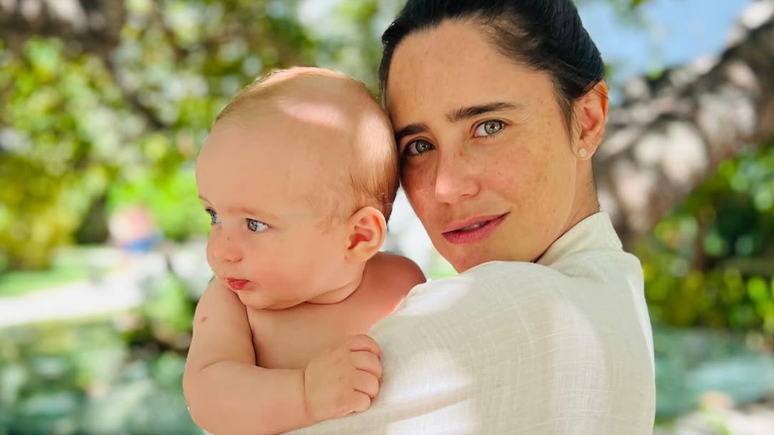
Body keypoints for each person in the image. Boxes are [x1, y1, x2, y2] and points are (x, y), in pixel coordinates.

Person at [288, 0, 656, 434]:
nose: (446, 187)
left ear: (587, 120)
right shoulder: (615, 299)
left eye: (489, 127)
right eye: (419, 146)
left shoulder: (512, 312)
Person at [183, 67, 425, 435]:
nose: (221, 250)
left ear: (358, 238)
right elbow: (209, 396)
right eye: (214, 215)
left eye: (255, 224)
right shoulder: (231, 305)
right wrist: (305, 395)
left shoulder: (402, 284)